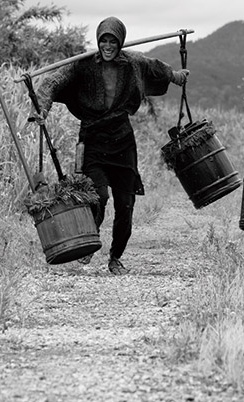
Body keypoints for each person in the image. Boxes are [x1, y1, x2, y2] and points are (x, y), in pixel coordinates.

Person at [31, 17, 189, 275]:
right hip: (92, 138)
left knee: (125, 205)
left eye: (112, 41)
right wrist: (40, 109)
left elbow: (158, 68)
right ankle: (90, 241)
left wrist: (176, 76)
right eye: (103, 40)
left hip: (122, 141)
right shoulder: (82, 65)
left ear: (120, 42)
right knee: (98, 196)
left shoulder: (133, 62)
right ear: (98, 41)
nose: (107, 45)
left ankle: (116, 257)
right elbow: (52, 83)